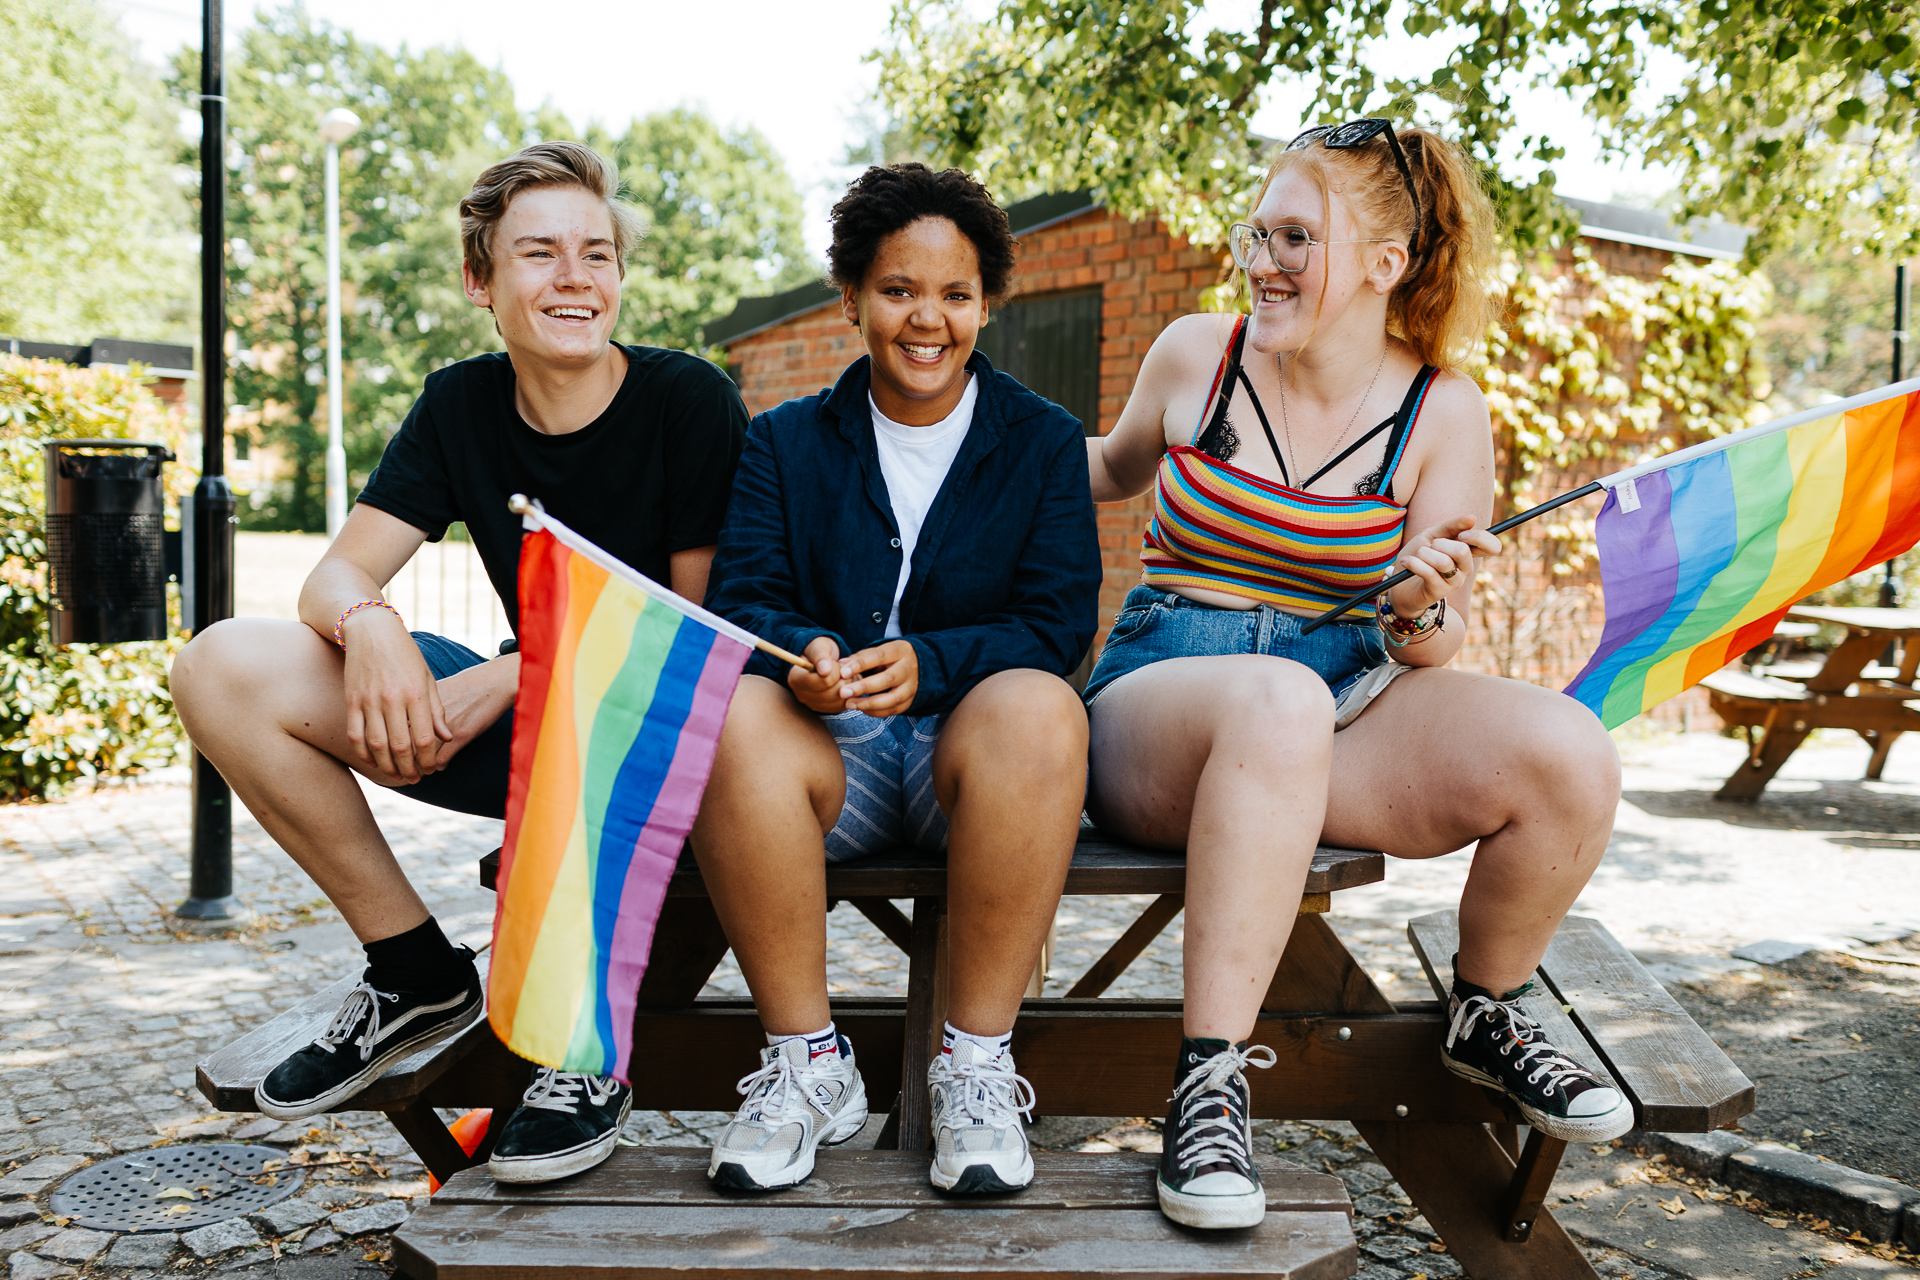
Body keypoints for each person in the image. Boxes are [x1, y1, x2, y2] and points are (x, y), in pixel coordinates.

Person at [1083, 119, 1631, 1231]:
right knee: (1277, 701)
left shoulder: (1444, 412)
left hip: (1338, 695)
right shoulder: (1200, 354)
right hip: (1164, 697)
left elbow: (1434, 645)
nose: (1262, 259)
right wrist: (961, 423)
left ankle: (1488, 1007)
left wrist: (1418, 599)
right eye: (1259, 231)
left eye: (1296, 236)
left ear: (1384, 265)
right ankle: (1208, 1080)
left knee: (1569, 748)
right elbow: (1097, 470)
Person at [170, 141, 748, 1185]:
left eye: (598, 253)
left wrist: (513, 674)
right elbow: (336, 575)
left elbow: (692, 626)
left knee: (584, 709)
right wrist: (374, 625)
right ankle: (415, 970)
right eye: (540, 253)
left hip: (662, 735)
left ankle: (578, 1047)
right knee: (223, 664)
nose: (576, 277)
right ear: (480, 279)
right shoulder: (458, 404)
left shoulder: (689, 400)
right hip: (521, 715)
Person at [696, 162, 1100, 1195]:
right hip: (831, 761)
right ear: (852, 299)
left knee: (1043, 705)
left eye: (956, 293)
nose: (929, 318)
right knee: (732, 709)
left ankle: (974, 1063)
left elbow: (1056, 624)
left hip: (979, 766)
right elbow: (743, 600)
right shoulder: (783, 440)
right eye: (899, 290)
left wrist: (936, 663)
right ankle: (808, 1065)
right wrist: (808, 657)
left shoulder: (1044, 440)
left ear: (985, 303)